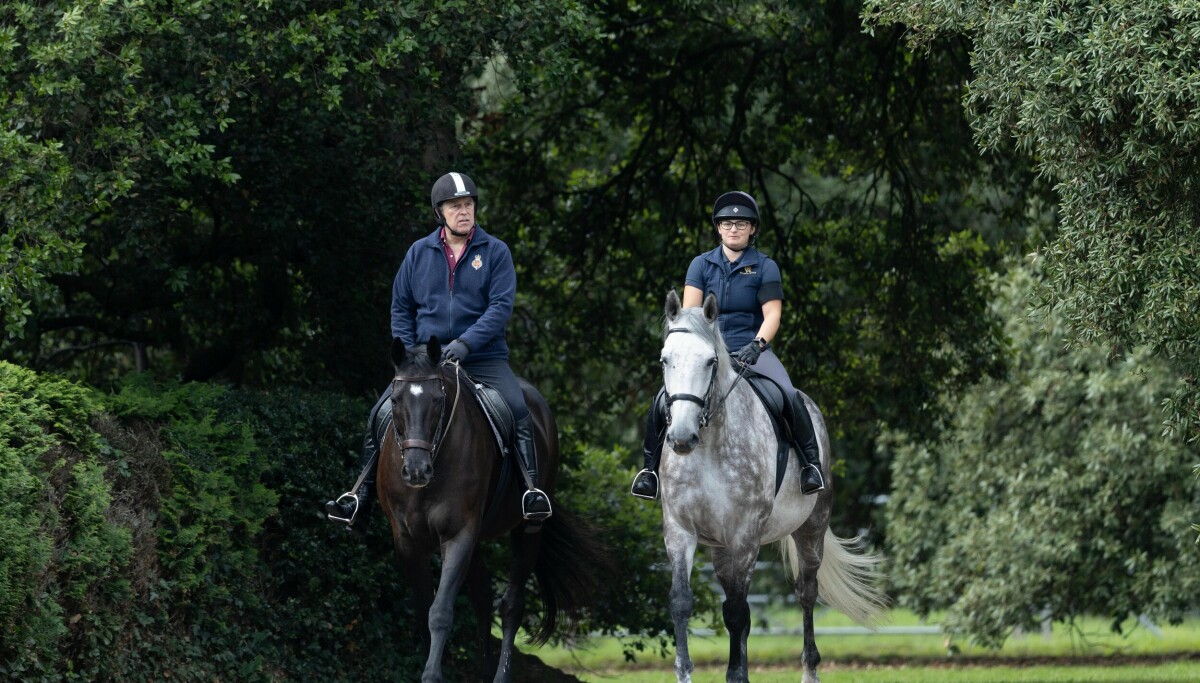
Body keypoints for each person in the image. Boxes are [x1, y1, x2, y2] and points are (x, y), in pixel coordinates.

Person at [325, 171, 553, 530]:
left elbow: (499, 308)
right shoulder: (418, 253)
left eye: (468, 204)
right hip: (426, 361)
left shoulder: (495, 252)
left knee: (518, 408)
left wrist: (466, 343)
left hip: (483, 356)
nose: (464, 211)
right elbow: (401, 305)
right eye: (455, 206)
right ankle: (359, 495)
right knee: (379, 414)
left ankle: (531, 493)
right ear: (439, 213)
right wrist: (409, 354)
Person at [630, 190, 825, 500]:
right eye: (727, 223)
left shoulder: (765, 266)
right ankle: (649, 471)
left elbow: (773, 314)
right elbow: (691, 316)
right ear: (718, 228)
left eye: (741, 223)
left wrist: (757, 344)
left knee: (788, 394)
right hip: (707, 351)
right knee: (663, 398)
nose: (734, 229)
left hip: (751, 348)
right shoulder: (700, 264)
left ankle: (810, 466)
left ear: (752, 229)